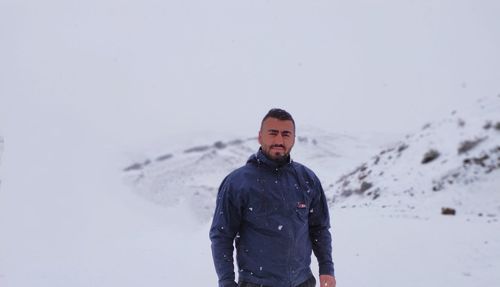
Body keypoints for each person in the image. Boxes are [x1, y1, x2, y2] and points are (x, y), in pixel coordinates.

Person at [209, 108, 336, 287]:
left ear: (293, 139)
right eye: (273, 133)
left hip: (303, 282)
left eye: (285, 134)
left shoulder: (307, 179)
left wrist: (327, 269)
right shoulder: (238, 182)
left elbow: (320, 229)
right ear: (260, 137)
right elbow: (222, 235)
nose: (279, 140)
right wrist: (226, 281)